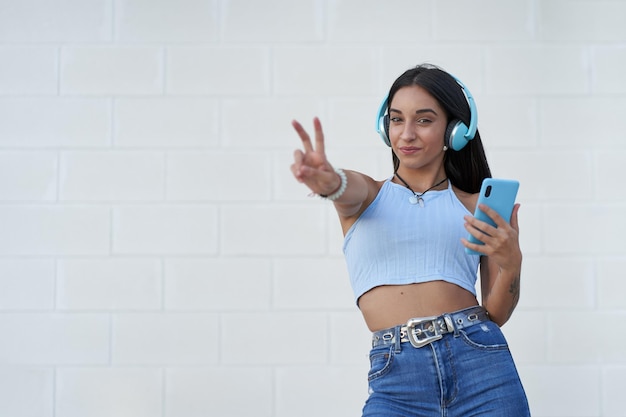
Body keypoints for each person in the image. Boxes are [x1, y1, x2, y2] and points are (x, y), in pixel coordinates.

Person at [290, 64, 530, 416]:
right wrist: (326, 180)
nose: (406, 134)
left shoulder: (478, 206)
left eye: (423, 120)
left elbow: (496, 312)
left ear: (456, 131)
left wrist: (512, 263)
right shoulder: (368, 197)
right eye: (397, 119)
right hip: (397, 380)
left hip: (482, 368)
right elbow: (342, 186)